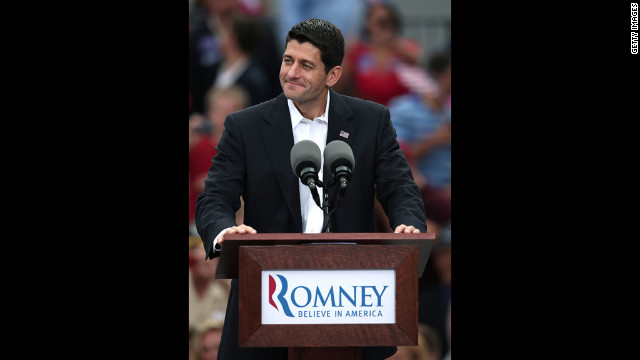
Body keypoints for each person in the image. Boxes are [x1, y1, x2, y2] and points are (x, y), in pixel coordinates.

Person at [195, 18, 427, 360]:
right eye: (288, 60)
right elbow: (214, 197)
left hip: (350, 298)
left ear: (332, 75)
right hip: (267, 298)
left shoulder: (370, 121)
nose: (291, 72)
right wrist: (224, 231)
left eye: (306, 65)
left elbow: (399, 187)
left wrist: (408, 224)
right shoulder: (244, 126)